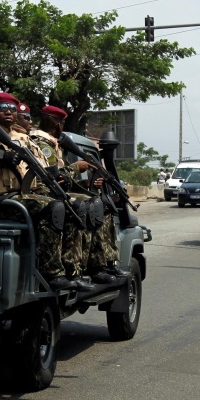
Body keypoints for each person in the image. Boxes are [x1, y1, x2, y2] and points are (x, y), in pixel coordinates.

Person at [0, 92, 82, 291]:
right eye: (2, 108)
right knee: (53, 208)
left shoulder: (16, 137)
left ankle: (72, 271)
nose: (8, 112)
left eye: (12, 109)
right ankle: (52, 273)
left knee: (70, 205)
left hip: (17, 196)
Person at [33, 105, 124, 284]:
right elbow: (53, 178)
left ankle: (102, 263)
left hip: (54, 192)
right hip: (45, 194)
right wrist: (77, 167)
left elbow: (62, 181)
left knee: (101, 204)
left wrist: (87, 183)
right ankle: (79, 268)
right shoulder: (44, 145)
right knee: (84, 206)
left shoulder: (53, 145)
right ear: (58, 125)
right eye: (61, 123)